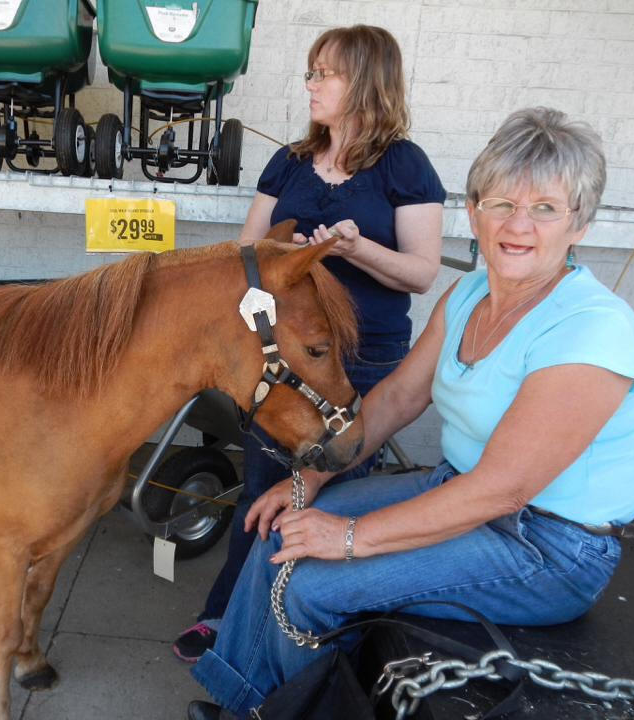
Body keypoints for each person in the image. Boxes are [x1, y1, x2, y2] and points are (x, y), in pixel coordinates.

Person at [185, 106, 634, 720]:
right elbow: (397, 399)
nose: (519, 225)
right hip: (459, 491)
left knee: (311, 584)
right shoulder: (469, 294)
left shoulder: (592, 329)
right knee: (282, 524)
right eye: (500, 204)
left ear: (580, 222)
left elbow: (504, 489)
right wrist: (313, 478)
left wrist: (351, 538)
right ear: (474, 211)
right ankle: (248, 704)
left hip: (549, 547)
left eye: (545, 208)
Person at [173, 24, 446, 663]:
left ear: (368, 84)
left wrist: (356, 248)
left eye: (326, 73)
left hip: (366, 359)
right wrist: (282, 255)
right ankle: (225, 616)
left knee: (337, 491)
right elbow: (243, 252)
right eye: (311, 71)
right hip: (285, 356)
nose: (312, 84)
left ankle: (316, 626)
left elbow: (423, 271)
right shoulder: (291, 160)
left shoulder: (404, 165)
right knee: (264, 488)